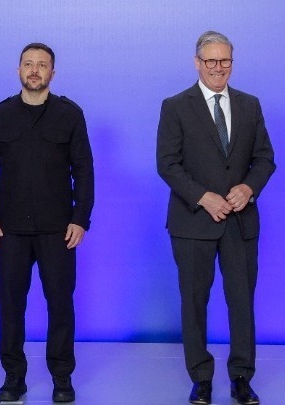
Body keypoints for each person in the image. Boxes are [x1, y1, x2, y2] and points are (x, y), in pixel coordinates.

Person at [157, 31, 275, 405]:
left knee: (242, 302)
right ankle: (201, 379)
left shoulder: (250, 105)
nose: (218, 67)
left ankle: (241, 378)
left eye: (225, 60)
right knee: (194, 303)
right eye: (211, 60)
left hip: (240, 222)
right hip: (192, 223)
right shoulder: (175, 106)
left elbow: (265, 158)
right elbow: (167, 164)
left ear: (231, 63)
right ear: (197, 63)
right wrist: (202, 197)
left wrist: (249, 188)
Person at [0, 43, 94, 403]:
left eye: (42, 65)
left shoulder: (70, 114)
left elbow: (84, 170)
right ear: (18, 70)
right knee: (10, 304)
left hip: (58, 229)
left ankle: (62, 376)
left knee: (60, 303)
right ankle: (14, 376)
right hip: (9, 229)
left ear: (52, 73)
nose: (34, 70)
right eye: (28, 64)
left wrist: (81, 218)